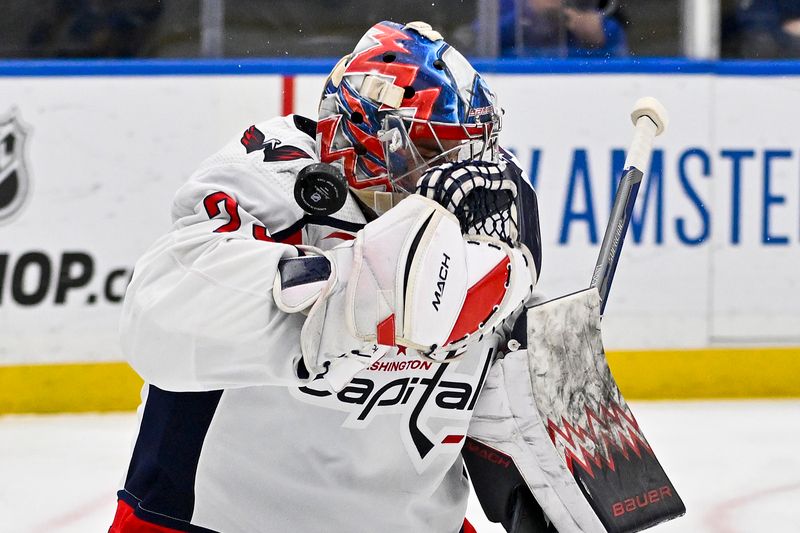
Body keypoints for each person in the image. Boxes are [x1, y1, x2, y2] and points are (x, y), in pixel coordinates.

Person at [109, 20, 544, 533]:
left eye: (469, 149)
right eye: (428, 154)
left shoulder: (492, 200)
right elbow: (160, 319)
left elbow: (501, 365)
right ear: (356, 139)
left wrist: (544, 469)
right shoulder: (270, 180)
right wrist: (351, 295)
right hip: (213, 518)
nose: (454, 173)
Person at [499, 0, 628, 59]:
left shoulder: (591, 7)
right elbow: (484, 38)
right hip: (519, 70)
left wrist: (601, 36)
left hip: (580, 75)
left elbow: (621, 55)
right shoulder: (508, 5)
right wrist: (529, 12)